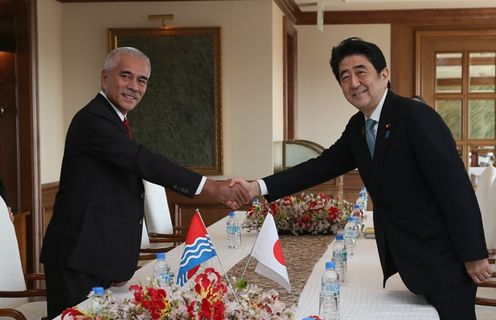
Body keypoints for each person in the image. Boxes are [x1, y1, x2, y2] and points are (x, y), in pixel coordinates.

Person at [232, 37, 491, 320]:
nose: (354, 83)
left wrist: (473, 254)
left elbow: (454, 187)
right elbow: (321, 166)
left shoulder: (415, 116)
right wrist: (258, 186)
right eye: (345, 77)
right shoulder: (358, 127)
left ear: (384, 75)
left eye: (361, 71)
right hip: (415, 262)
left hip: (445, 261)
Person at [40, 47, 249, 318]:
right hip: (78, 259)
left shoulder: (115, 121)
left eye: (142, 80)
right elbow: (141, 161)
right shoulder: (93, 120)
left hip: (96, 257)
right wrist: (211, 187)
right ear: (105, 78)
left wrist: (115, 263)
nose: (134, 87)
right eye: (126, 76)